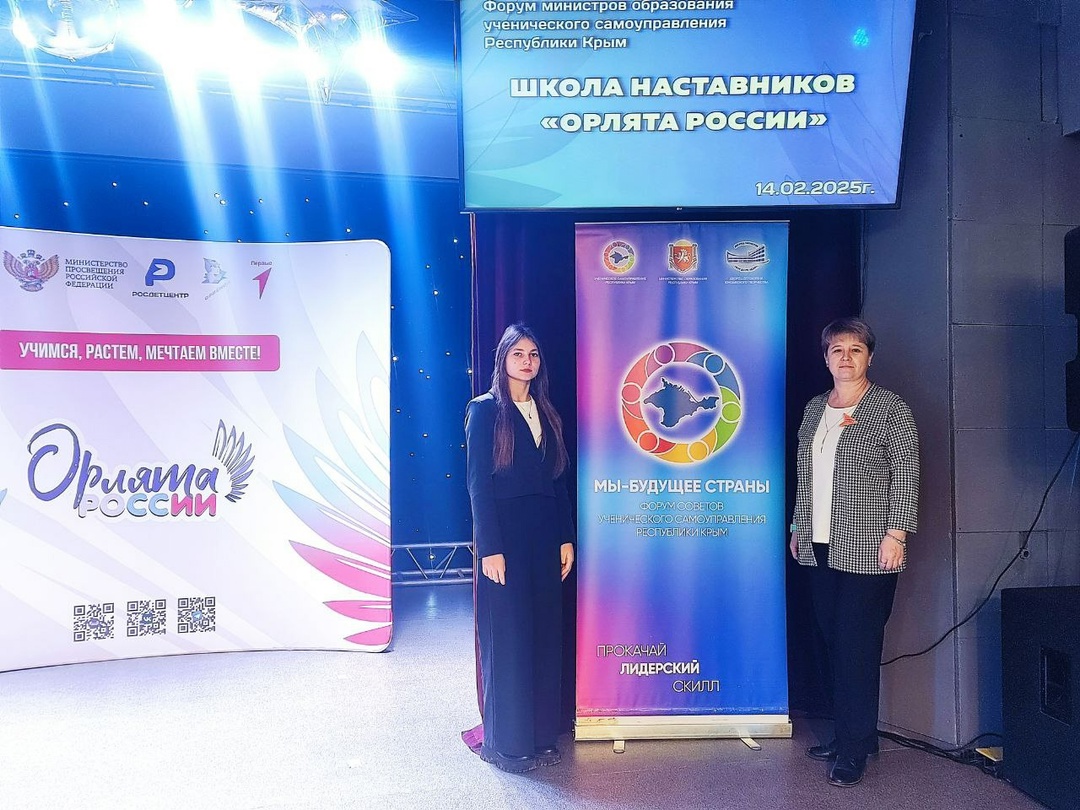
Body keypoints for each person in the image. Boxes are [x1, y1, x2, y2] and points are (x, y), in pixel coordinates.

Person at [789, 317, 919, 788]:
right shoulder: (813, 409)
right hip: (819, 543)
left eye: (856, 349)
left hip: (870, 547)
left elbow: (906, 472)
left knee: (857, 645)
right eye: (837, 350)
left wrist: (897, 534)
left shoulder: (889, 408)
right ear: (826, 358)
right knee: (832, 639)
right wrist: (797, 526)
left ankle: (853, 748)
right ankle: (853, 734)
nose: (846, 357)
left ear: (869, 357)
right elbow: (806, 475)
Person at [465, 323, 576, 774]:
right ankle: (508, 746)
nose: (527, 361)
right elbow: (478, 485)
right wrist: (489, 547)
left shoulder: (546, 411)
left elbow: (559, 479)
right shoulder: (485, 410)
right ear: (503, 359)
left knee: (544, 635)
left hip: (545, 537)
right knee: (509, 638)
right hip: (505, 541)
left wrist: (565, 537)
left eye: (533, 354)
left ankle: (541, 737)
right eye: (518, 354)